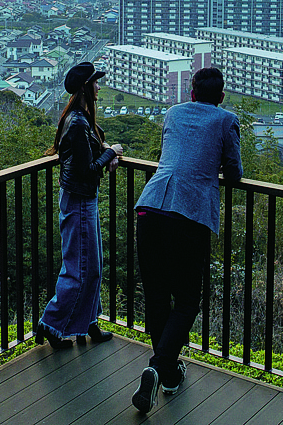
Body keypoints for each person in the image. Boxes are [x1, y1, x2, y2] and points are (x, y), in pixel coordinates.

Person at [130, 66, 243, 413]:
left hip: (150, 208)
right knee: (189, 300)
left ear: (191, 92)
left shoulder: (173, 112)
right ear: (221, 96)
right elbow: (235, 173)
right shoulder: (225, 120)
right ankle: (158, 366)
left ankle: (168, 375)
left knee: (157, 296)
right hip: (189, 215)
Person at [35, 61, 124, 348]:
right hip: (79, 200)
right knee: (79, 268)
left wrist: (107, 154)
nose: (99, 86)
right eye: (96, 82)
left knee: (92, 266)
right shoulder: (78, 122)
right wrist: (111, 152)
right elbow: (87, 169)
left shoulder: (81, 118)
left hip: (83, 198)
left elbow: (89, 158)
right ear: (86, 87)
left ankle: (89, 322)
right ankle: (51, 324)